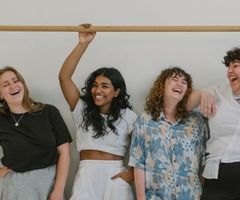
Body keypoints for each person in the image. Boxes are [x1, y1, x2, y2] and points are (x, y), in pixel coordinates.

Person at [59, 24, 137, 200]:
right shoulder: (82, 109)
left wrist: (130, 174)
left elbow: (140, 149)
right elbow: (64, 77)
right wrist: (83, 43)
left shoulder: (129, 116)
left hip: (116, 174)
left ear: (116, 92)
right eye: (94, 85)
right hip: (87, 173)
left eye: (105, 86)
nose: (97, 90)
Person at [187, 46, 240, 200]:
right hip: (218, 171)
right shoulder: (217, 91)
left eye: (235, 65)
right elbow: (182, 106)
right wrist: (201, 93)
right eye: (228, 66)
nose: (229, 71)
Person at [128, 67, 208, 200]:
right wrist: (140, 198)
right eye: (174, 79)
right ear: (162, 86)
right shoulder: (145, 120)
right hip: (156, 196)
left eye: (184, 82)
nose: (179, 84)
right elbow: (138, 162)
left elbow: (203, 160)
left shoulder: (196, 121)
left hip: (190, 195)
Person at [0, 66, 72, 200]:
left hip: (48, 186)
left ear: (22, 84)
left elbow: (65, 153)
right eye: (5, 84)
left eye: (15, 80)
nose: (13, 86)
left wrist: (58, 190)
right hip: (13, 189)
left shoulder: (49, 112)